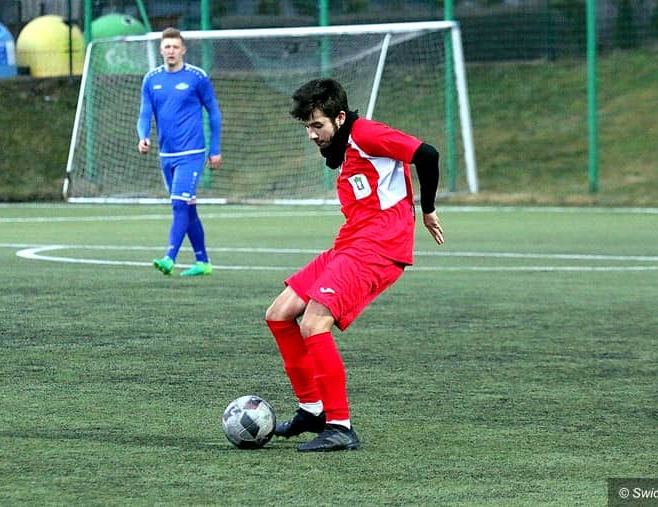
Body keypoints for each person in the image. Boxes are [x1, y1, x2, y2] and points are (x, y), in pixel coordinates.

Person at [265, 78, 445, 452]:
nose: (312, 134)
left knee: (314, 323)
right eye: (307, 127)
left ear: (340, 117)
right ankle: (312, 410)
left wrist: (427, 210)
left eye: (317, 125)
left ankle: (340, 426)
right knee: (279, 314)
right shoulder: (346, 144)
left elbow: (427, 155)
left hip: (378, 247)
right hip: (350, 243)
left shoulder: (366, 133)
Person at [137, 27, 222, 277]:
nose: (171, 51)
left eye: (175, 47)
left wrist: (215, 149)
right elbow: (145, 113)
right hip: (166, 155)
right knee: (188, 208)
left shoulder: (197, 77)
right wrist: (143, 136)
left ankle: (169, 258)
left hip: (192, 153)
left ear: (183, 50)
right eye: (167, 47)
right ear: (161, 50)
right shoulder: (151, 79)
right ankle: (203, 262)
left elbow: (214, 113)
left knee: (178, 204)